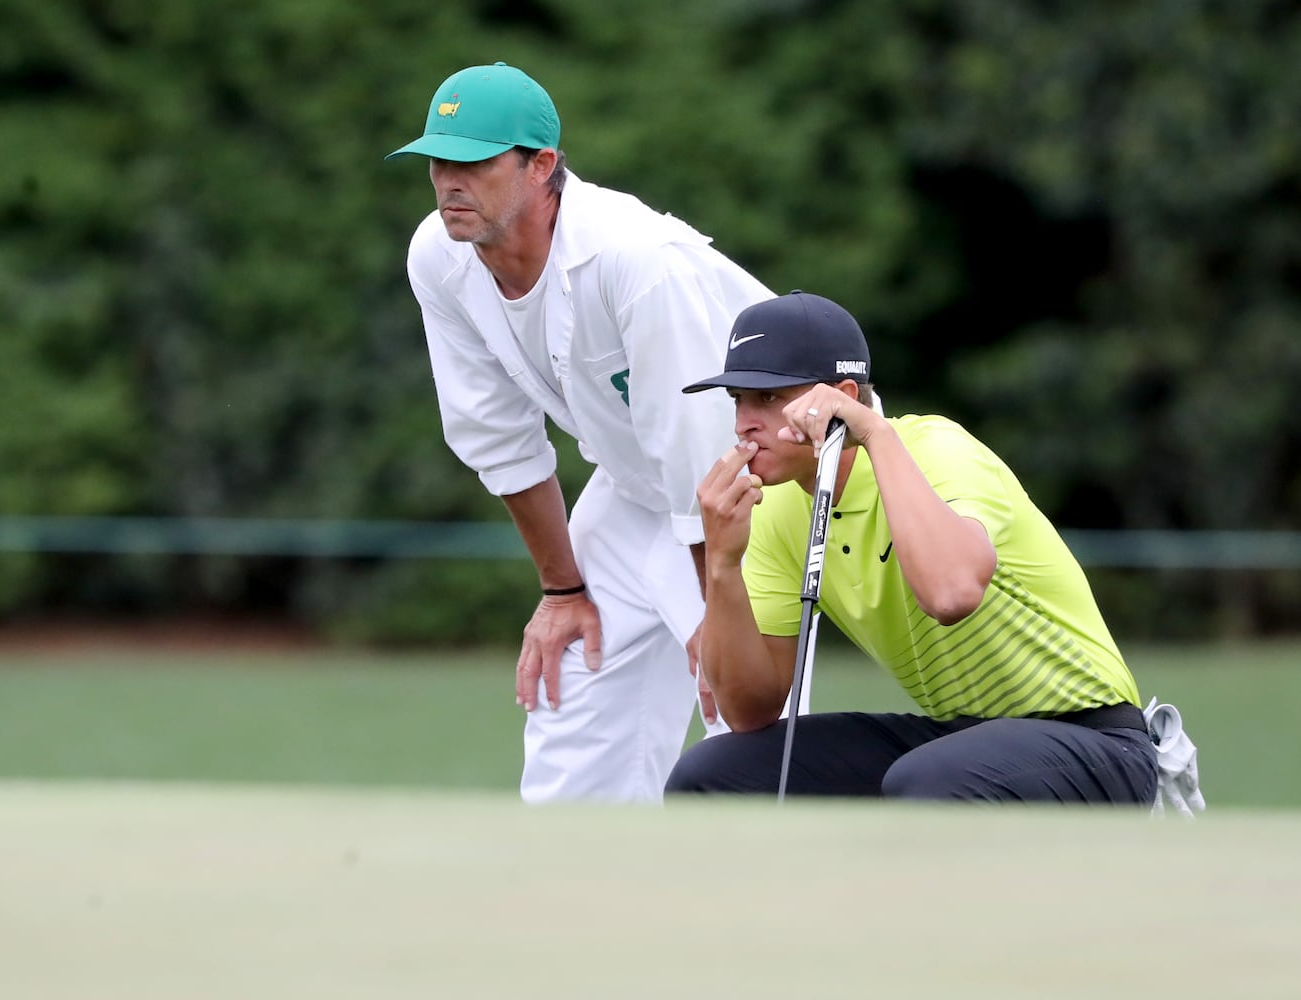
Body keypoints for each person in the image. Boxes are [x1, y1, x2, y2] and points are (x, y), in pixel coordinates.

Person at [385, 62, 774, 803]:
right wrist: (563, 587)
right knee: (569, 693)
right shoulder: (438, 256)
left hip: (759, 485)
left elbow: (699, 441)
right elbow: (495, 434)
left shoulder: (636, 260)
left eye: (473, 161)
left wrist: (711, 606)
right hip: (641, 487)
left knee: (752, 723)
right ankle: (575, 901)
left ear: (541, 166)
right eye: (438, 161)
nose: (448, 182)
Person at [665, 290, 1160, 803]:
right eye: (738, 400)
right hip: (962, 740)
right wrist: (722, 564)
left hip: (1097, 741)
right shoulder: (775, 508)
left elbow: (951, 595)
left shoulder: (937, 449)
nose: (744, 420)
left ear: (844, 398)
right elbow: (749, 711)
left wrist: (874, 434)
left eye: (768, 398)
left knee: (925, 780)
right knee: (709, 774)